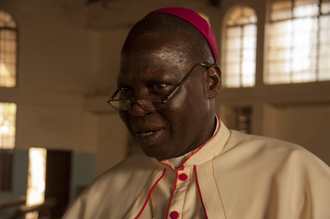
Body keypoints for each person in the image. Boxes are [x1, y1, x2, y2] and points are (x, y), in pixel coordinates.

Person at [62, 7, 330, 219]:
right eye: (127, 91)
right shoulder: (102, 193)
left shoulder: (294, 174)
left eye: (159, 87)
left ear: (210, 82)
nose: (137, 108)